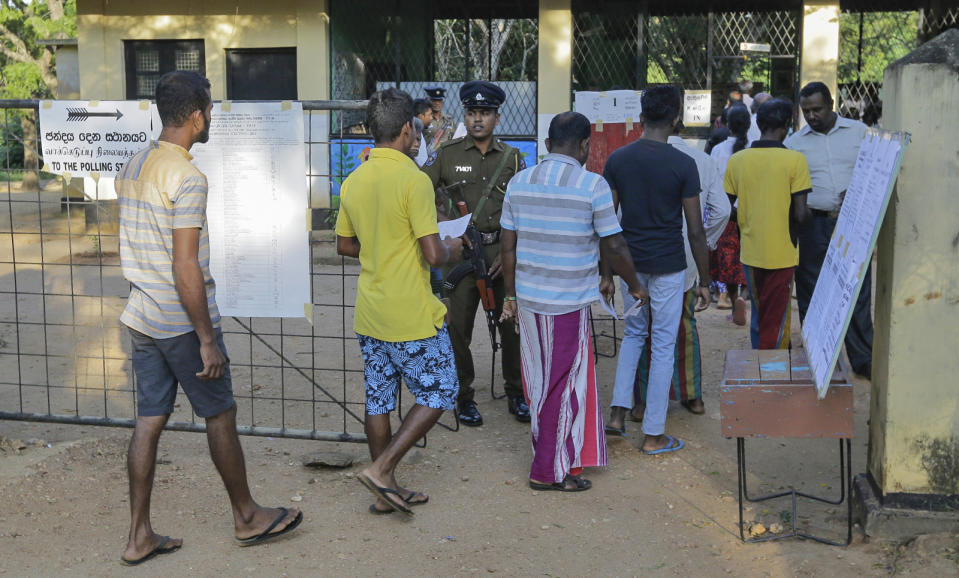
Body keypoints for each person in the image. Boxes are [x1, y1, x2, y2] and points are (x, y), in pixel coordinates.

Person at [115, 71, 302, 565]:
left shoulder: (135, 163)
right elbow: (185, 266)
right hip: (179, 322)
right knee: (219, 413)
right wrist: (205, 338)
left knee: (148, 422)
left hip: (140, 316)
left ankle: (138, 536)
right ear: (196, 116)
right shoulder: (188, 177)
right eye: (211, 109)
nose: (212, 117)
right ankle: (246, 516)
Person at [499, 111, 648, 491]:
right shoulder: (592, 185)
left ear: (548, 144)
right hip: (567, 305)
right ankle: (550, 470)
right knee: (563, 386)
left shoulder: (518, 182)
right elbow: (613, 243)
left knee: (541, 381)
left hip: (530, 302)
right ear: (585, 147)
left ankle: (555, 456)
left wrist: (511, 296)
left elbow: (507, 248)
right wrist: (634, 285)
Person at [335, 87, 463, 515]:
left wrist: (381, 246)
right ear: (407, 129)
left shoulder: (354, 180)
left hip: (371, 311)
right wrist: (455, 246)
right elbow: (433, 254)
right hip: (410, 313)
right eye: (418, 128)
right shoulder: (414, 180)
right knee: (442, 390)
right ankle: (383, 467)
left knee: (379, 398)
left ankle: (383, 488)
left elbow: (344, 245)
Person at [602, 85, 712, 454]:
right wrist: (707, 281)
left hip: (630, 266)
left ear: (641, 116)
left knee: (634, 335)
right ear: (677, 119)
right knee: (663, 344)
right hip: (668, 267)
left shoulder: (618, 160)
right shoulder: (684, 164)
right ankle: (653, 435)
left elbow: (607, 224)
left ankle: (618, 415)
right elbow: (695, 231)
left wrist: (606, 272)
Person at [422, 80, 527, 427]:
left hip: (502, 253)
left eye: (484, 113)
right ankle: (463, 396)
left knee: (511, 326)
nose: (477, 119)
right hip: (462, 255)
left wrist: (510, 252)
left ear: (496, 118)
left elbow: (524, 208)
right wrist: (447, 222)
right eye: (472, 112)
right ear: (465, 116)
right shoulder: (447, 154)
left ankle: (516, 392)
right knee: (458, 329)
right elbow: (421, 190)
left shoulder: (513, 159)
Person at [632, 119, 731, 417]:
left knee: (644, 327)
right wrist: (705, 244)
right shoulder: (700, 159)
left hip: (639, 256)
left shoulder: (629, 156)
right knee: (683, 324)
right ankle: (692, 395)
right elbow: (722, 210)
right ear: (677, 120)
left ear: (641, 120)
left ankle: (643, 400)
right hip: (685, 256)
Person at [786, 82, 872, 378]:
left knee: (856, 289)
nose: (811, 116)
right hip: (813, 225)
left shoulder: (859, 133)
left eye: (817, 109)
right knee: (812, 289)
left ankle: (862, 359)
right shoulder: (795, 143)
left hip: (852, 224)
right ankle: (819, 356)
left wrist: (859, 191)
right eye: (806, 111)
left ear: (831, 104)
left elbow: (874, 169)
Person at [724, 98, 812, 349]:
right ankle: (771, 371)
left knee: (761, 312)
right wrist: (813, 217)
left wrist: (747, 215)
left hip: (750, 250)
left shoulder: (738, 160)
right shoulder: (795, 161)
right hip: (783, 252)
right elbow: (800, 215)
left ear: (759, 124)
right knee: (778, 318)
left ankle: (759, 364)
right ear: (787, 126)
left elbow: (723, 208)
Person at [709, 103, 751, 323]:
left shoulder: (718, 150)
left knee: (729, 259)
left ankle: (735, 303)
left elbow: (714, 183)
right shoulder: (754, 147)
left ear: (727, 125)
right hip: (751, 213)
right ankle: (746, 295)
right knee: (749, 256)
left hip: (727, 213)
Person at [424, 86, 455, 150]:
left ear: (442, 102)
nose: (437, 103)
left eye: (439, 100)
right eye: (434, 100)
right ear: (428, 101)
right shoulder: (425, 120)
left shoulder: (448, 120)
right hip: (429, 157)